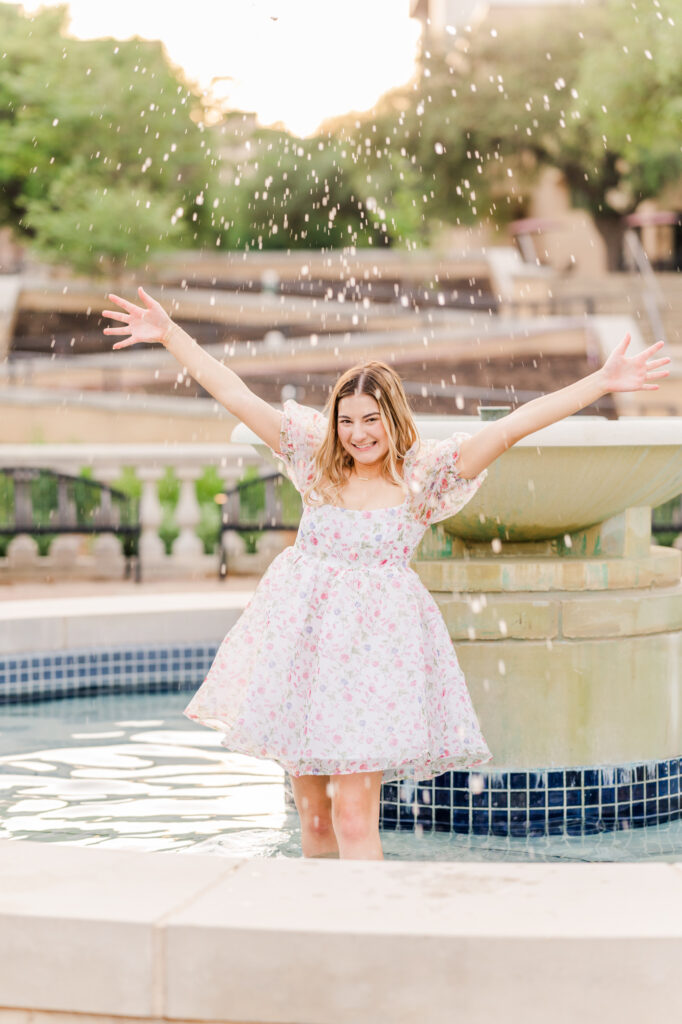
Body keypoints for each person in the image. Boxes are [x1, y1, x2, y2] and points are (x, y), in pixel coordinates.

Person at [103, 287, 670, 861]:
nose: (357, 433)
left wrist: (598, 383)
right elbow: (232, 391)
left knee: (353, 818)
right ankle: (323, 938)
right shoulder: (313, 459)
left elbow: (508, 430)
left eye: (370, 419)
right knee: (315, 820)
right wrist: (171, 333)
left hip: (374, 662)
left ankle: (370, 935)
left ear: (391, 418)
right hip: (305, 654)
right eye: (346, 420)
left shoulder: (424, 476)